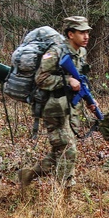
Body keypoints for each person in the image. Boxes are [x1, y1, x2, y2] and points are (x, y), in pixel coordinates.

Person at [18, 16, 93, 200]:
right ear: (70, 34)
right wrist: (67, 80)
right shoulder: (55, 52)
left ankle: (27, 175)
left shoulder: (81, 53)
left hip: (69, 108)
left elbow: (80, 80)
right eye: (81, 32)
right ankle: (64, 198)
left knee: (59, 151)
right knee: (69, 150)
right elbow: (40, 79)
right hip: (52, 108)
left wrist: (90, 100)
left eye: (87, 32)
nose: (86, 36)